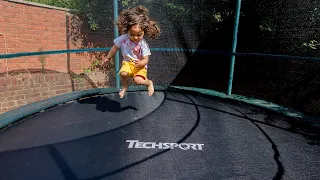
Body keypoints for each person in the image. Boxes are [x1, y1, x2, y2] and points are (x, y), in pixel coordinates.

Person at [103, 6, 160, 98]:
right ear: (127, 31)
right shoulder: (123, 39)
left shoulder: (143, 44)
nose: (136, 37)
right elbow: (114, 48)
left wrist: (141, 63)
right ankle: (125, 87)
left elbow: (146, 59)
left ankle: (149, 83)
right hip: (128, 63)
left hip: (140, 66)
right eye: (132, 34)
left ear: (143, 32)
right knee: (123, 73)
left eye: (139, 34)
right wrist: (107, 58)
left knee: (138, 81)